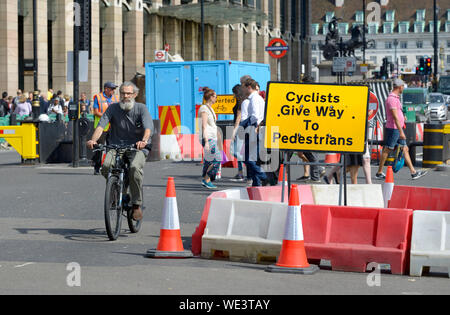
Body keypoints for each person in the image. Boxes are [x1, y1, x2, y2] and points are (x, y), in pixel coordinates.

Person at [87, 81, 153, 221]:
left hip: (137, 146)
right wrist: (93, 140)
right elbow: (101, 126)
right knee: (106, 167)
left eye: (129, 93)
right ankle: (116, 191)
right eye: (123, 93)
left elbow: (148, 128)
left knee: (135, 168)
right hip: (116, 146)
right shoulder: (112, 108)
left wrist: (144, 141)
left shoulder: (141, 108)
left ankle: (136, 204)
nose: (125, 96)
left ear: (134, 94)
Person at [375, 78, 427, 180]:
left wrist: (403, 116)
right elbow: (394, 117)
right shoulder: (392, 99)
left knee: (405, 149)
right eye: (403, 86)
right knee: (388, 149)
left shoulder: (396, 98)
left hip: (398, 128)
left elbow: (398, 113)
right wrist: (401, 132)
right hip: (394, 129)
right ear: (399, 87)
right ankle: (379, 172)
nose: (403, 88)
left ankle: (413, 172)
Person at [240, 79, 267, 187]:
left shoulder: (254, 99)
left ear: (248, 87)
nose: (243, 90)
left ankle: (264, 176)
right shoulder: (258, 98)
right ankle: (256, 184)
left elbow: (255, 116)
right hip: (258, 129)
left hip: (254, 129)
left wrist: (245, 123)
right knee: (253, 159)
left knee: (249, 159)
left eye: (244, 87)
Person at [91, 82, 119, 175]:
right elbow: (95, 112)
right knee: (99, 147)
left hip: (113, 126)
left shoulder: (116, 98)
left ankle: (110, 166)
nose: (113, 91)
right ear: (106, 89)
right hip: (101, 127)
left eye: (114, 89)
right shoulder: (98, 97)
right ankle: (97, 167)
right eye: (111, 89)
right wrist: (106, 117)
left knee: (111, 147)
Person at [198, 87, 221, 189]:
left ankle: (205, 179)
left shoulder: (211, 108)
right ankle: (207, 178)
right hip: (208, 138)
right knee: (216, 159)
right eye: (215, 96)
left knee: (208, 160)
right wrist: (206, 141)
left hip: (213, 137)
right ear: (210, 97)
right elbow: (204, 126)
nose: (216, 98)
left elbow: (213, 125)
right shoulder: (204, 109)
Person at [230, 84, 246, 182]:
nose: (233, 95)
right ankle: (240, 172)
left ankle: (244, 169)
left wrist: (234, 132)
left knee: (235, 151)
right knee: (239, 151)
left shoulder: (242, 102)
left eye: (234, 93)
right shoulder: (240, 101)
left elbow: (238, 118)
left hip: (240, 128)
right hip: (241, 128)